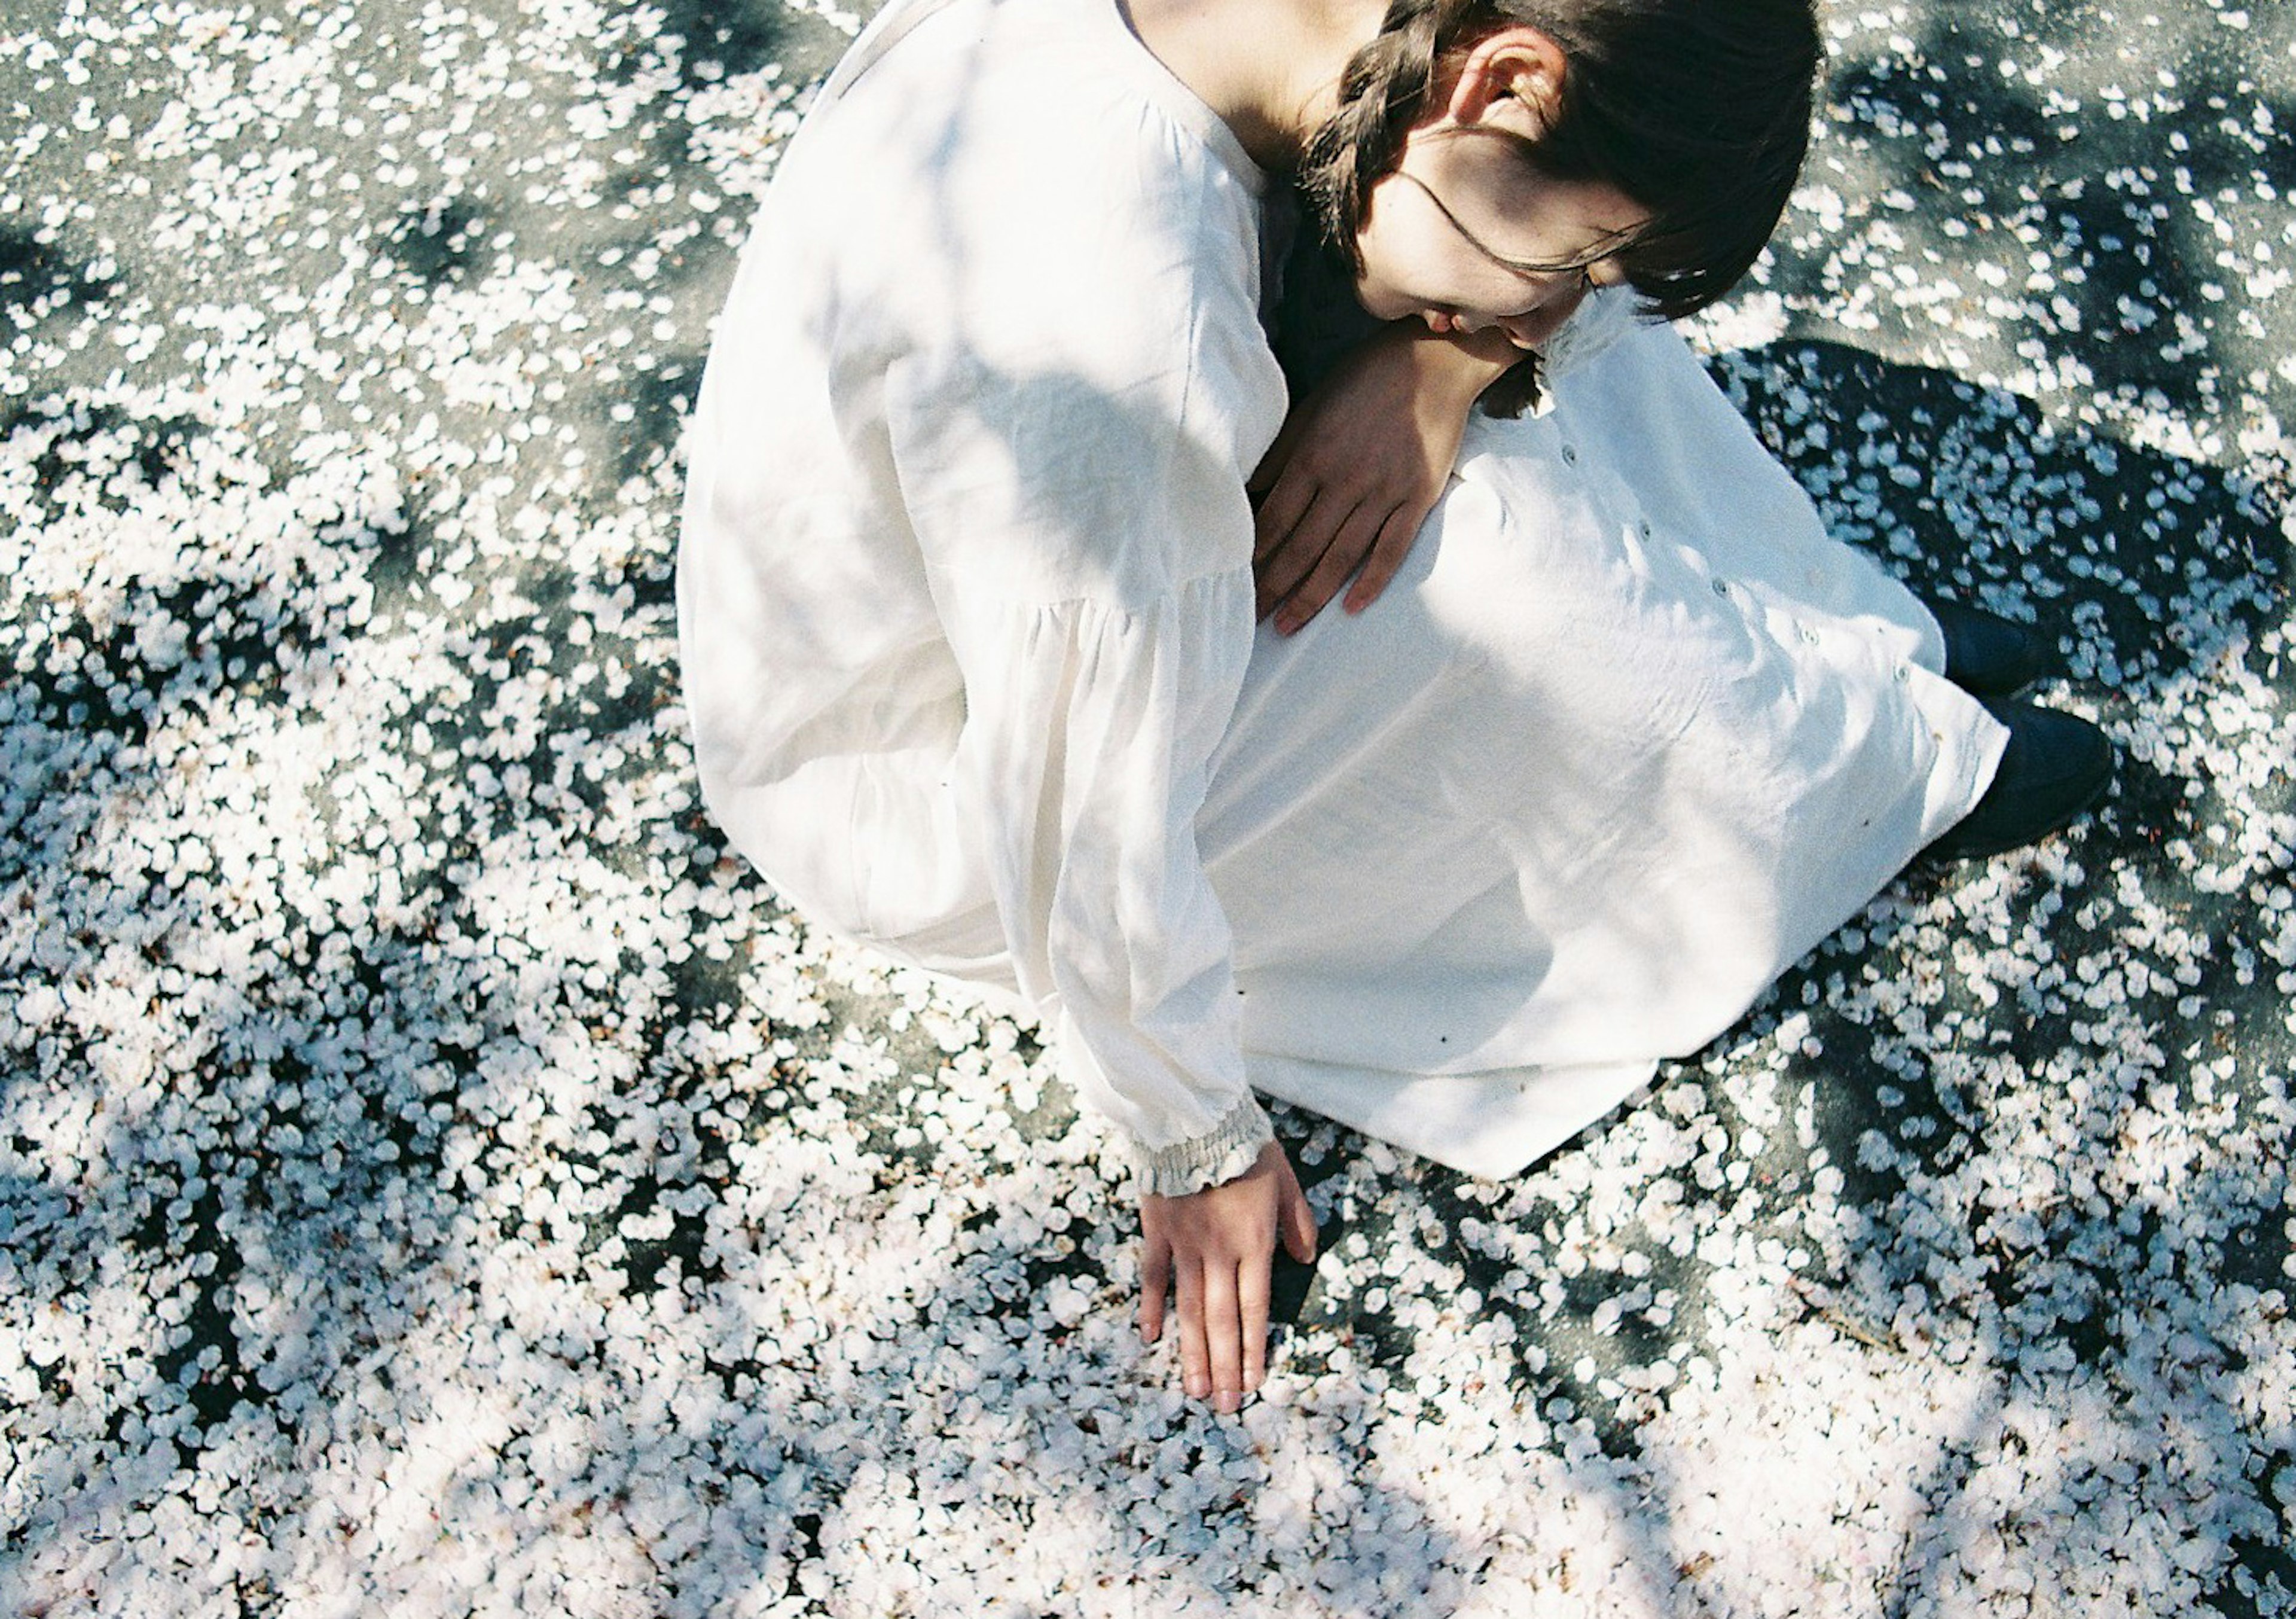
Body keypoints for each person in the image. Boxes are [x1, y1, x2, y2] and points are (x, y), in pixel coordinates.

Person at [676, 0, 2111, 1417]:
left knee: (1584, 362)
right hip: (936, 759)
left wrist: (1445, 361)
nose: (1560, 297)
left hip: (1071, 571)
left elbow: (1530, 291)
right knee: (1523, 579)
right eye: (1572, 257)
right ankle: (1867, 773)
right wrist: (1196, 1141)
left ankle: (1844, 636)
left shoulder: (1348, 45)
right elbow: (1084, 806)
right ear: (1504, 79)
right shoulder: (1120, 328)